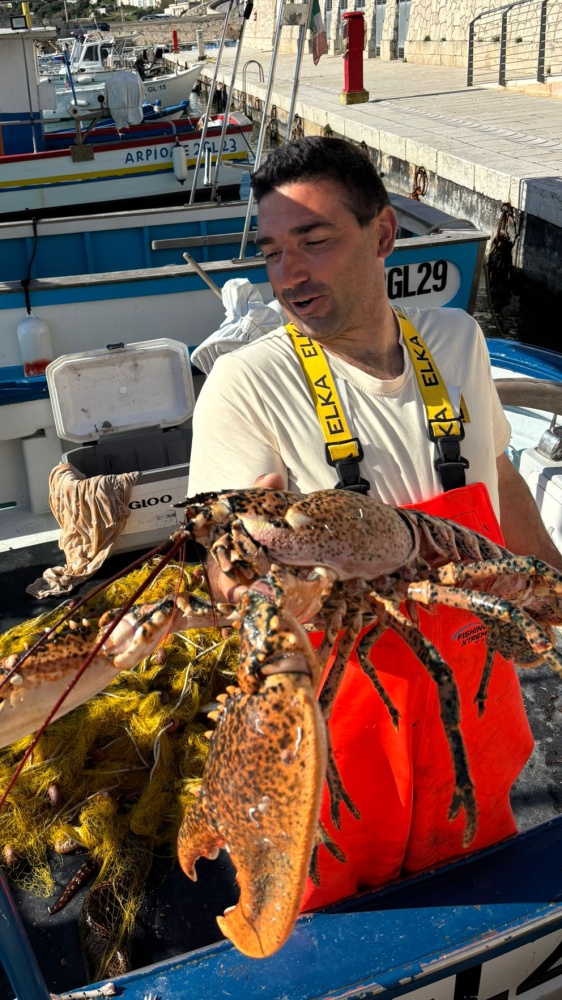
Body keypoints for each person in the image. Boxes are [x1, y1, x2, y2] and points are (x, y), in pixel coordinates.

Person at [187, 136, 562, 910]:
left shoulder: (456, 341)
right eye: (273, 250)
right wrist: (248, 576)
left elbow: (499, 481)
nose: (289, 273)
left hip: (474, 710)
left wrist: (555, 591)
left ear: (383, 235)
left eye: (314, 242)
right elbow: (222, 576)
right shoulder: (243, 383)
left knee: (486, 908)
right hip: (338, 739)